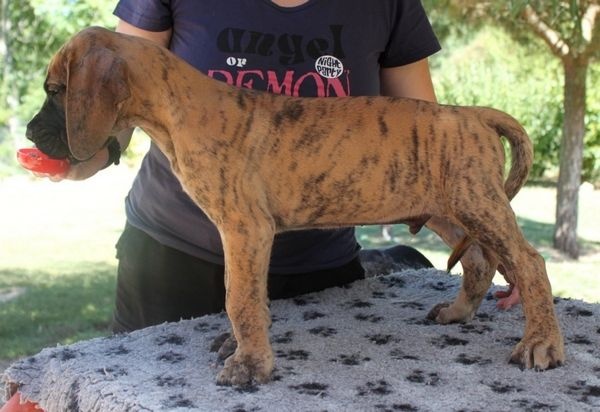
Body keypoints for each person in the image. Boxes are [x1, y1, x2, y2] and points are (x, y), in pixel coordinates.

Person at [49, 0, 441, 332]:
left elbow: (428, 141)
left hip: (317, 267)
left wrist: (461, 219)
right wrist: (92, 153)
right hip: (172, 261)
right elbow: (118, 94)